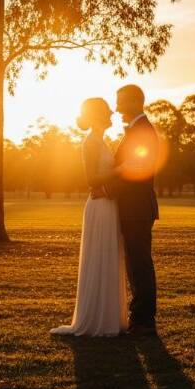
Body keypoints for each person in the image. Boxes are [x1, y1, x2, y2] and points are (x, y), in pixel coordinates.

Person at [50, 98, 128, 337]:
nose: (112, 117)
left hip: (108, 204)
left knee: (109, 257)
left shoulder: (101, 141)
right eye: (107, 113)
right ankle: (96, 319)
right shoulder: (90, 143)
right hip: (99, 206)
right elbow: (91, 180)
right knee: (99, 257)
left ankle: (109, 316)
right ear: (96, 117)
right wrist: (120, 170)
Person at [107, 84, 159, 336]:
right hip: (132, 208)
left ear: (134, 102)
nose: (116, 108)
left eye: (119, 102)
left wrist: (107, 189)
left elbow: (137, 170)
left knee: (139, 264)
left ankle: (144, 320)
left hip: (137, 209)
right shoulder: (136, 130)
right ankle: (139, 315)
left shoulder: (143, 131)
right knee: (135, 264)